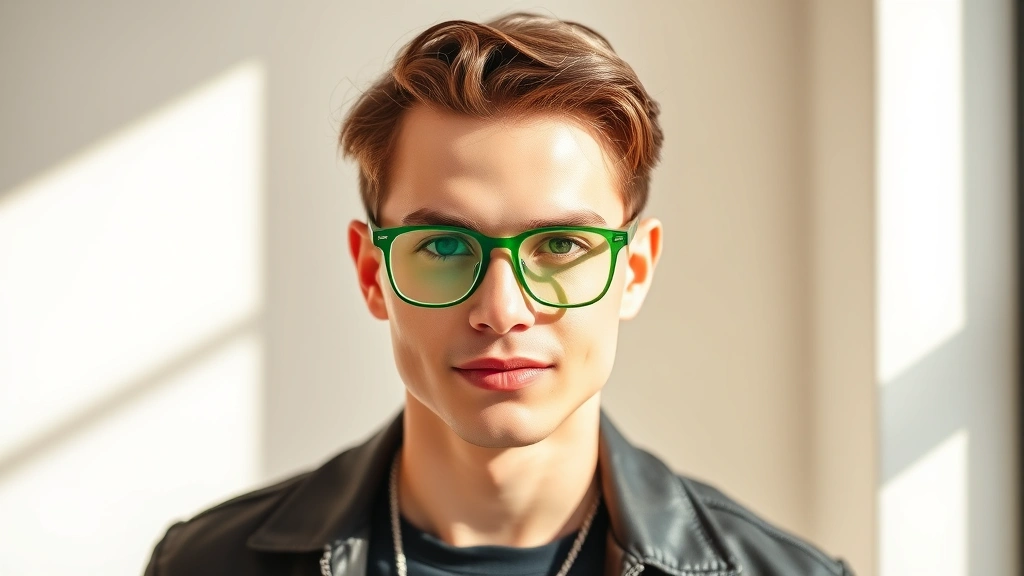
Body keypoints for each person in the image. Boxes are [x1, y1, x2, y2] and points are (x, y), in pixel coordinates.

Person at [145, 13, 853, 576]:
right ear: (372, 273)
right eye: (445, 247)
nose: (502, 310)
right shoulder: (205, 565)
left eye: (561, 246)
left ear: (633, 271)